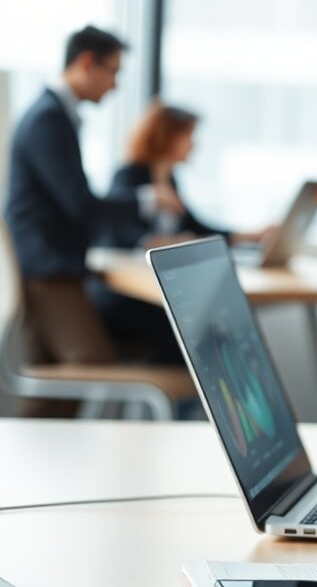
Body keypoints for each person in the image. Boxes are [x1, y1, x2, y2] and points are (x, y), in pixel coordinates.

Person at [5, 26, 184, 416]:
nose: (115, 85)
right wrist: (147, 200)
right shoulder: (48, 119)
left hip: (54, 267)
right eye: (112, 72)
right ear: (86, 63)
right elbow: (79, 203)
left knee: (58, 378)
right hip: (48, 270)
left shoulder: (54, 116)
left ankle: (39, 450)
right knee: (89, 364)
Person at [89, 101, 274, 361]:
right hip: (127, 296)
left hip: (156, 293)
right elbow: (118, 231)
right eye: (188, 135)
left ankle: (195, 386)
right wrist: (160, 242)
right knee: (193, 329)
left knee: (214, 324)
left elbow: (196, 227)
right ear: (166, 136)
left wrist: (250, 236)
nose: (194, 144)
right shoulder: (129, 176)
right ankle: (177, 387)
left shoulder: (171, 180)